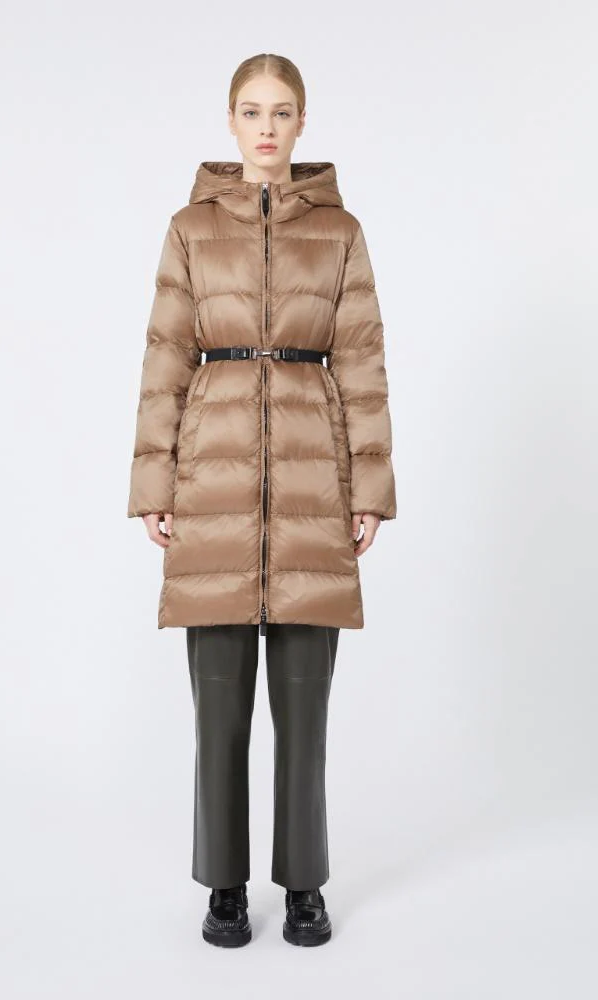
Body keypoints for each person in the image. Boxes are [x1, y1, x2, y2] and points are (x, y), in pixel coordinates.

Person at [126, 53, 397, 947]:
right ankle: (225, 886)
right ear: (232, 120)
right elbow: (166, 358)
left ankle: (305, 885)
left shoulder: (342, 231)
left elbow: (362, 363)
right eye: (252, 111)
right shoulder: (190, 228)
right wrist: (154, 485)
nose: (268, 127)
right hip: (212, 480)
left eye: (282, 112)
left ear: (302, 122)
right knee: (218, 714)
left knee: (305, 714)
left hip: (316, 484)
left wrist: (369, 490)